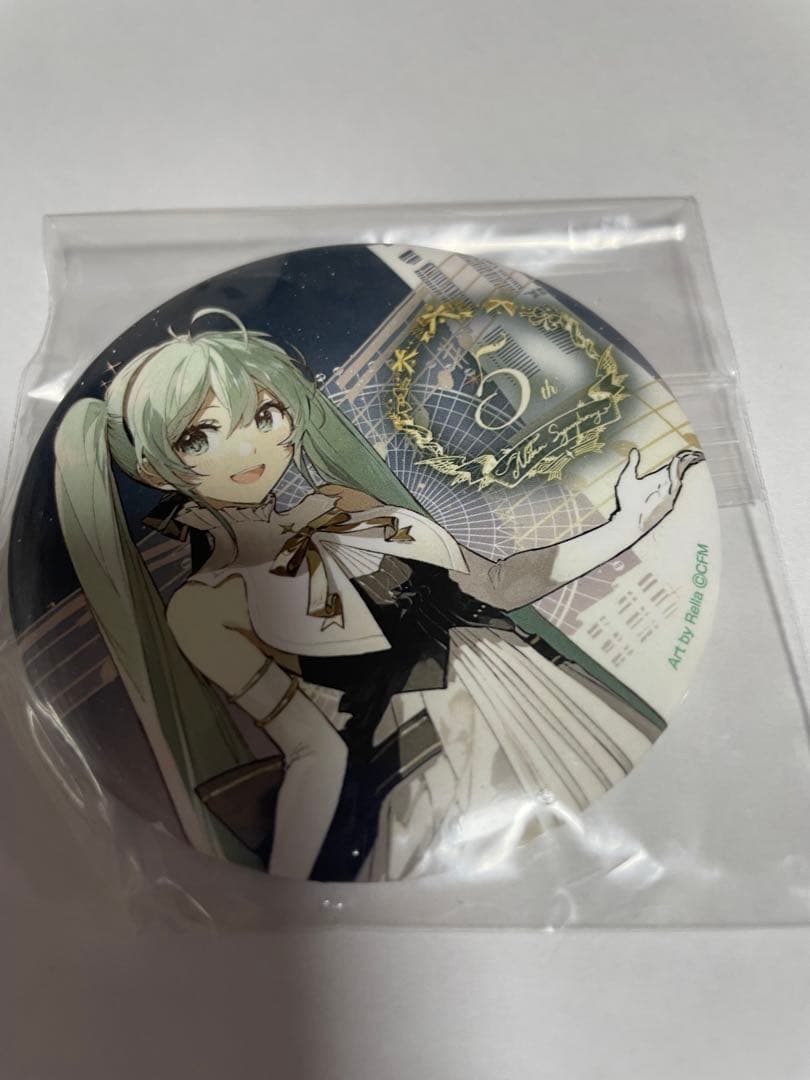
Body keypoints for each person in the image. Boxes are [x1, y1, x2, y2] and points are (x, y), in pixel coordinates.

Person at [54, 309, 699, 881]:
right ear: (154, 467)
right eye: (199, 437)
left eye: (264, 414)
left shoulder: (350, 507)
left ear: (291, 417)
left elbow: (497, 583)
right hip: (428, 766)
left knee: (648, 839)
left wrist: (627, 523)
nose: (247, 446)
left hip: (539, 695)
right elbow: (311, 749)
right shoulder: (205, 604)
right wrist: (283, 889)